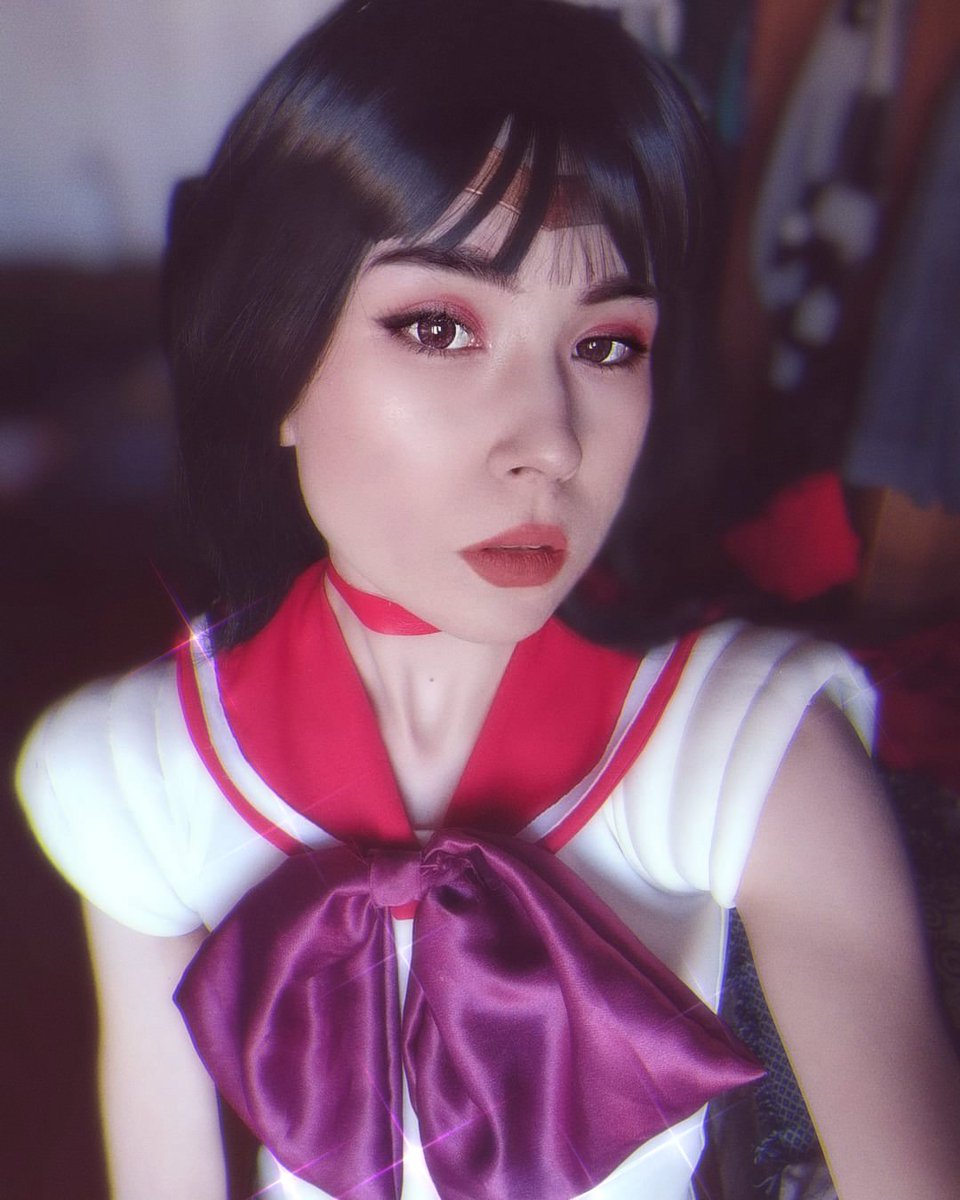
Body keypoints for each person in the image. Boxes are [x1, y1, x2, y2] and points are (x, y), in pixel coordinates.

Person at [15, 1, 960, 1198]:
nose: (551, 443)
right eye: (439, 326)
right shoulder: (137, 777)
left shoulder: (746, 754)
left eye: (606, 345)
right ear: (272, 364)